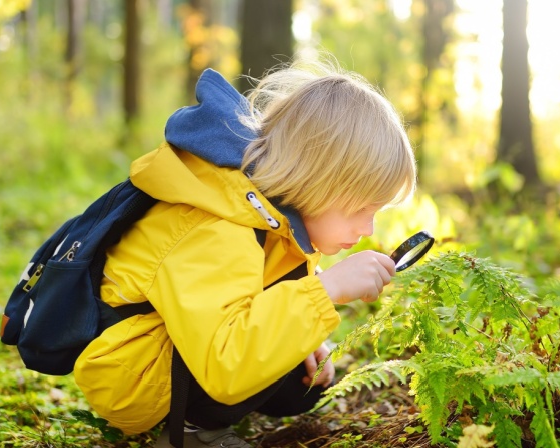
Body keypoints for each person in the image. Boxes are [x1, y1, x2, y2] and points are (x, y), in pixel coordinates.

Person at [72, 57, 417, 448]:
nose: (367, 229)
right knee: (269, 354)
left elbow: (249, 297)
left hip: (185, 348)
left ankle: (200, 420)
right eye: (360, 209)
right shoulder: (217, 226)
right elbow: (226, 358)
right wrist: (325, 291)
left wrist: (302, 337)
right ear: (316, 179)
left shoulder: (270, 218)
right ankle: (189, 434)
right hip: (133, 375)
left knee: (301, 382)